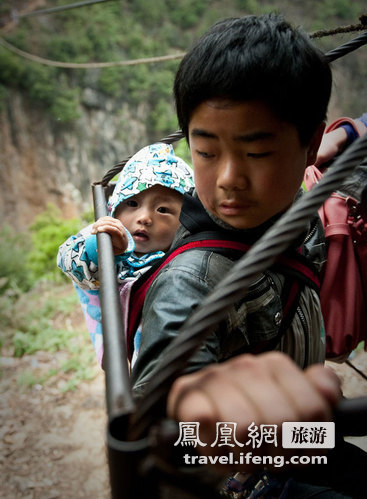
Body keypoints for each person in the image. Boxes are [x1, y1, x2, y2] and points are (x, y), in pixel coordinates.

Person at [129, 14, 366, 497]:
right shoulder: (191, 281)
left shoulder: (299, 209)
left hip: (297, 439)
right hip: (251, 477)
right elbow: (165, 427)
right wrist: (208, 408)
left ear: (311, 144)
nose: (228, 179)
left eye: (257, 154)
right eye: (206, 152)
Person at [57, 142, 194, 366]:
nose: (144, 218)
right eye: (132, 203)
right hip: (127, 356)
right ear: (115, 207)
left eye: (163, 210)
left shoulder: (185, 256)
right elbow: (67, 258)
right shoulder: (107, 234)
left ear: (184, 221)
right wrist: (103, 247)